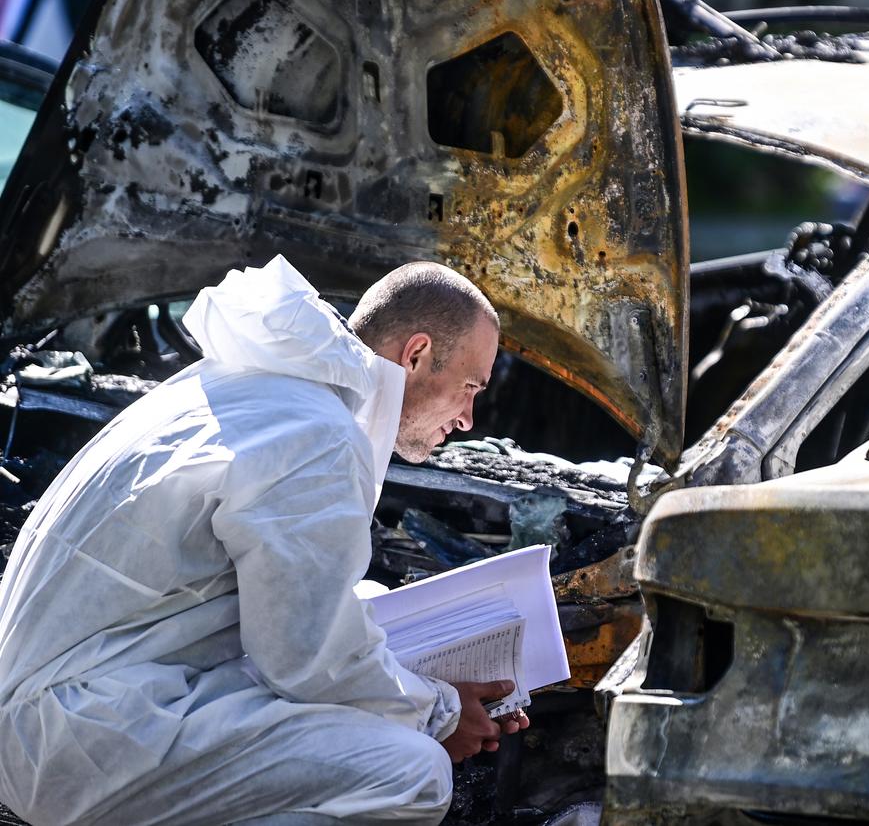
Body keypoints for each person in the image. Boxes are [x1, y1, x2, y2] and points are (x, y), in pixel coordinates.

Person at [0, 256, 528, 826]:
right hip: (77, 735)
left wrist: (420, 689)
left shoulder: (267, 389)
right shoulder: (317, 435)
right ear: (417, 354)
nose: (471, 418)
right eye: (470, 386)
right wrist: (440, 715)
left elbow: (299, 615)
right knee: (412, 775)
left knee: (369, 601)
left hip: (77, 710)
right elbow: (305, 658)